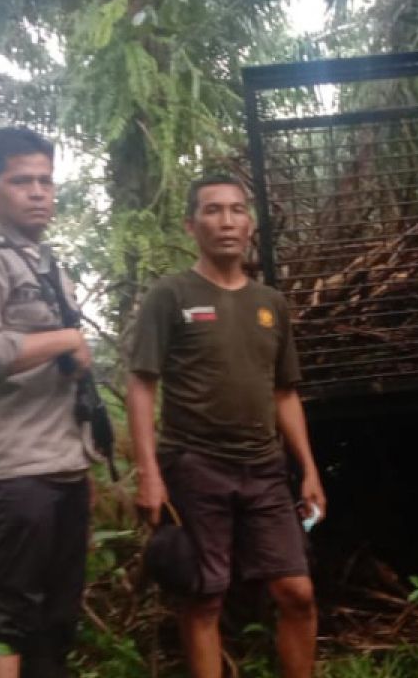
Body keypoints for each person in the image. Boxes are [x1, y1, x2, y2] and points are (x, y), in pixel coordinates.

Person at [127, 174, 326, 678]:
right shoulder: (170, 295)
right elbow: (142, 385)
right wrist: (148, 472)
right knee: (204, 599)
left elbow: (284, 392)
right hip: (194, 464)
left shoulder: (270, 304)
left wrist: (308, 468)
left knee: (297, 592)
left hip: (263, 467)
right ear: (191, 225)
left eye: (237, 210)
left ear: (251, 224)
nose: (227, 221)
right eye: (213, 211)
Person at [0, 127, 94, 678]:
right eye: (22, 181)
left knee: (57, 621)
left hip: (64, 460)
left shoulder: (47, 262)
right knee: (12, 616)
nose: (38, 192)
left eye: (46, 181)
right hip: (15, 467)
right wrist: (66, 341)